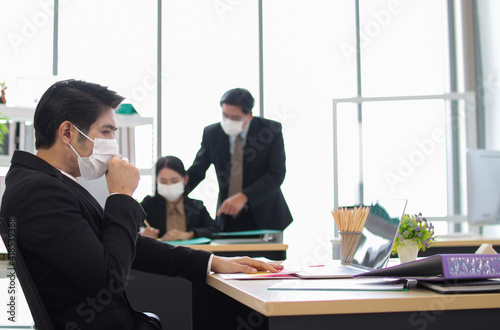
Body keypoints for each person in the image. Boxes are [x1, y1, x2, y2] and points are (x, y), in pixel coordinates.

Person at [0, 80, 282, 330]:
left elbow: (129, 245)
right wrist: (121, 196)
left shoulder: (51, 183)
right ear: (67, 133)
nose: (112, 143)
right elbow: (108, 280)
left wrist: (214, 261)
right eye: (107, 131)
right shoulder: (38, 191)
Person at [187, 88, 293, 232]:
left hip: (266, 215)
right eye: (225, 115)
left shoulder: (270, 130)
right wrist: (172, 193)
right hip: (228, 216)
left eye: (235, 117)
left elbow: (276, 174)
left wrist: (244, 197)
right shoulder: (212, 133)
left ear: (249, 115)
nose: (229, 121)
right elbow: (197, 171)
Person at [140, 155, 220, 240]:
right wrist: (142, 233)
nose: (169, 185)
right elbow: (130, 227)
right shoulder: (148, 205)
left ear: (185, 179)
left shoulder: (196, 206)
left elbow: (215, 230)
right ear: (156, 181)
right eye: (163, 181)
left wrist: (190, 234)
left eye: (174, 181)